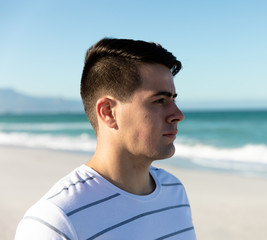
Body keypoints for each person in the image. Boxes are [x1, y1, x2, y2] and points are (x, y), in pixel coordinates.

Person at [15, 38, 196, 239]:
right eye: (160, 100)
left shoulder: (174, 191)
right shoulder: (55, 221)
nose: (178, 114)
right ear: (108, 112)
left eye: (173, 99)